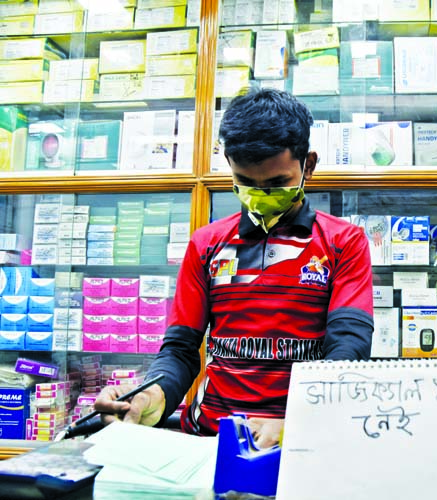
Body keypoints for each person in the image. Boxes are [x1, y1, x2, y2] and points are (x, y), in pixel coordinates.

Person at [94, 89, 374, 447]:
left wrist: (293, 423)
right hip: (209, 438)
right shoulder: (206, 243)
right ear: (229, 166)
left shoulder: (343, 242)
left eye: (276, 184)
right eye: (245, 182)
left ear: (309, 166)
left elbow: (348, 349)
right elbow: (180, 351)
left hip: (302, 440)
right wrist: (148, 398)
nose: (260, 194)